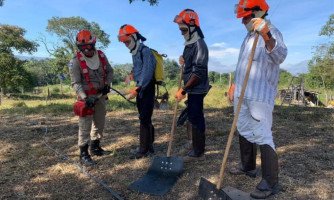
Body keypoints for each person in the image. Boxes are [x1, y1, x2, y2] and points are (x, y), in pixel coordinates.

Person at [230, 0, 288, 198]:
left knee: (262, 134)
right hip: (242, 93)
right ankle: (248, 167)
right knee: (243, 128)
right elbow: (242, 64)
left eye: (245, 17)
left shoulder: (272, 31)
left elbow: (280, 55)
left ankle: (271, 182)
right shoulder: (247, 37)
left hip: (259, 95)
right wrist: (234, 85)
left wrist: (266, 34)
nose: (242, 21)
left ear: (258, 13)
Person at [69, 29, 113, 165]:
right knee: (85, 126)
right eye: (83, 47)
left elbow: (110, 71)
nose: (86, 50)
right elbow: (75, 83)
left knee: (100, 123)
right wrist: (84, 97)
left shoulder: (101, 56)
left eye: (89, 46)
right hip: (86, 98)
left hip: (100, 96)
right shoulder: (75, 61)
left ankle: (95, 147)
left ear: (93, 44)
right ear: (79, 47)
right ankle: (83, 153)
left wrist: (107, 84)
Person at [173, 9, 210, 158]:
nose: (181, 32)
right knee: (193, 116)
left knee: (196, 116)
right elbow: (190, 64)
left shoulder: (200, 45)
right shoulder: (189, 44)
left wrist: (184, 89)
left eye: (183, 28)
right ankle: (195, 145)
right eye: (180, 29)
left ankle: (199, 149)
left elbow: (198, 72)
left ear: (192, 26)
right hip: (191, 88)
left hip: (197, 88)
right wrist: (183, 59)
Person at [117, 24, 156, 159]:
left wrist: (137, 89)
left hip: (147, 87)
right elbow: (138, 68)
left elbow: (148, 72)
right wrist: (131, 75)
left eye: (127, 41)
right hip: (141, 87)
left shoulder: (145, 51)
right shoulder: (135, 52)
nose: (126, 44)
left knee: (144, 118)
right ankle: (149, 145)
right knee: (145, 116)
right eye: (124, 42)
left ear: (134, 37)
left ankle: (143, 149)